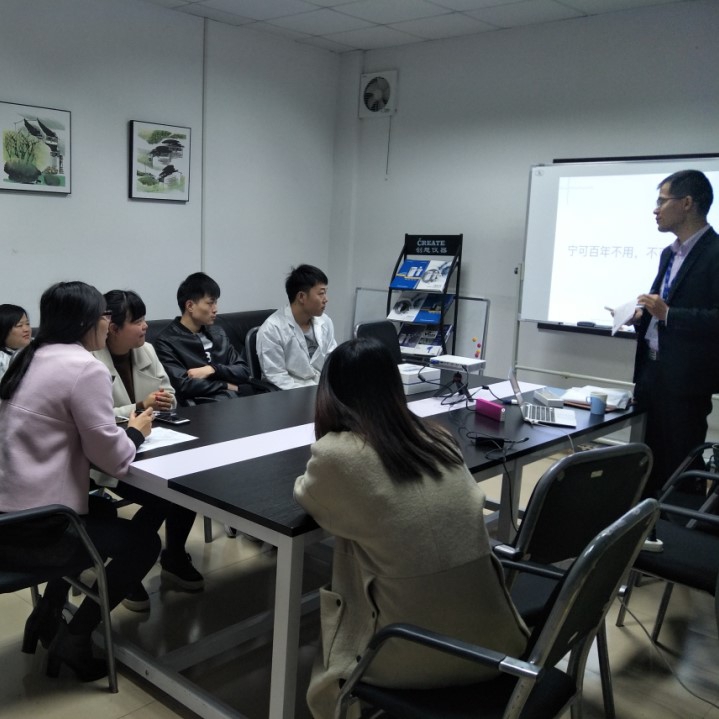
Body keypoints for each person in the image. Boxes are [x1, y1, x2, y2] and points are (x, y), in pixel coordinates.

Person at [294, 338, 528, 719]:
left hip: (412, 652)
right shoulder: (436, 437)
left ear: (330, 395)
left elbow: (307, 494)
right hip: (494, 639)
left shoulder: (338, 454)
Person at [0, 281, 160, 682]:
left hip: (10, 517)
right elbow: (114, 459)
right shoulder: (85, 368)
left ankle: (48, 611)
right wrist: (136, 431)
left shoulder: (29, 356)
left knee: (103, 509)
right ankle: (76, 636)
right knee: (145, 544)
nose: (108, 323)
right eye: (105, 316)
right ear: (88, 321)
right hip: (36, 531)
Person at [92, 290, 203, 610]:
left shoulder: (147, 350)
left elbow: (169, 393)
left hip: (153, 443)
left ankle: (174, 556)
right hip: (110, 454)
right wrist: (140, 406)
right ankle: (128, 568)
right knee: (163, 496)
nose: (145, 327)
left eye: (144, 319)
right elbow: (98, 417)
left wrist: (165, 401)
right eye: (137, 321)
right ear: (113, 328)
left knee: (188, 484)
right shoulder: (91, 360)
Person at [632, 170, 719, 526]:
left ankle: (678, 537)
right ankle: (641, 531)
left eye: (661, 201)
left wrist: (668, 314)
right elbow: (661, 305)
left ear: (686, 203)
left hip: (685, 382)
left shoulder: (715, 252)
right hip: (652, 371)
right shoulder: (669, 254)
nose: (655, 209)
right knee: (646, 459)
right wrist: (642, 315)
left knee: (679, 464)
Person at [154, 272, 253, 403]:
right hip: (203, 405)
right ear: (190, 306)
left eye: (216, 302)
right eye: (210, 303)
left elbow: (243, 370)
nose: (215, 309)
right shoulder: (167, 341)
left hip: (233, 400)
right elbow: (183, 385)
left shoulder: (218, 333)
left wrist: (213, 369)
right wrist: (224, 385)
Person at [257, 264, 336, 390]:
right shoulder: (272, 329)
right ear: (301, 297)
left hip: (323, 389)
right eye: (321, 293)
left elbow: (332, 360)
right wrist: (312, 392)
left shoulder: (325, 321)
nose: (326, 299)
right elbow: (277, 377)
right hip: (291, 393)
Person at [0, 304, 32, 379]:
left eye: (27, 324)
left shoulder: (39, 347)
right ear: (3, 331)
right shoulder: (2, 359)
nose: (26, 329)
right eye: (19, 325)